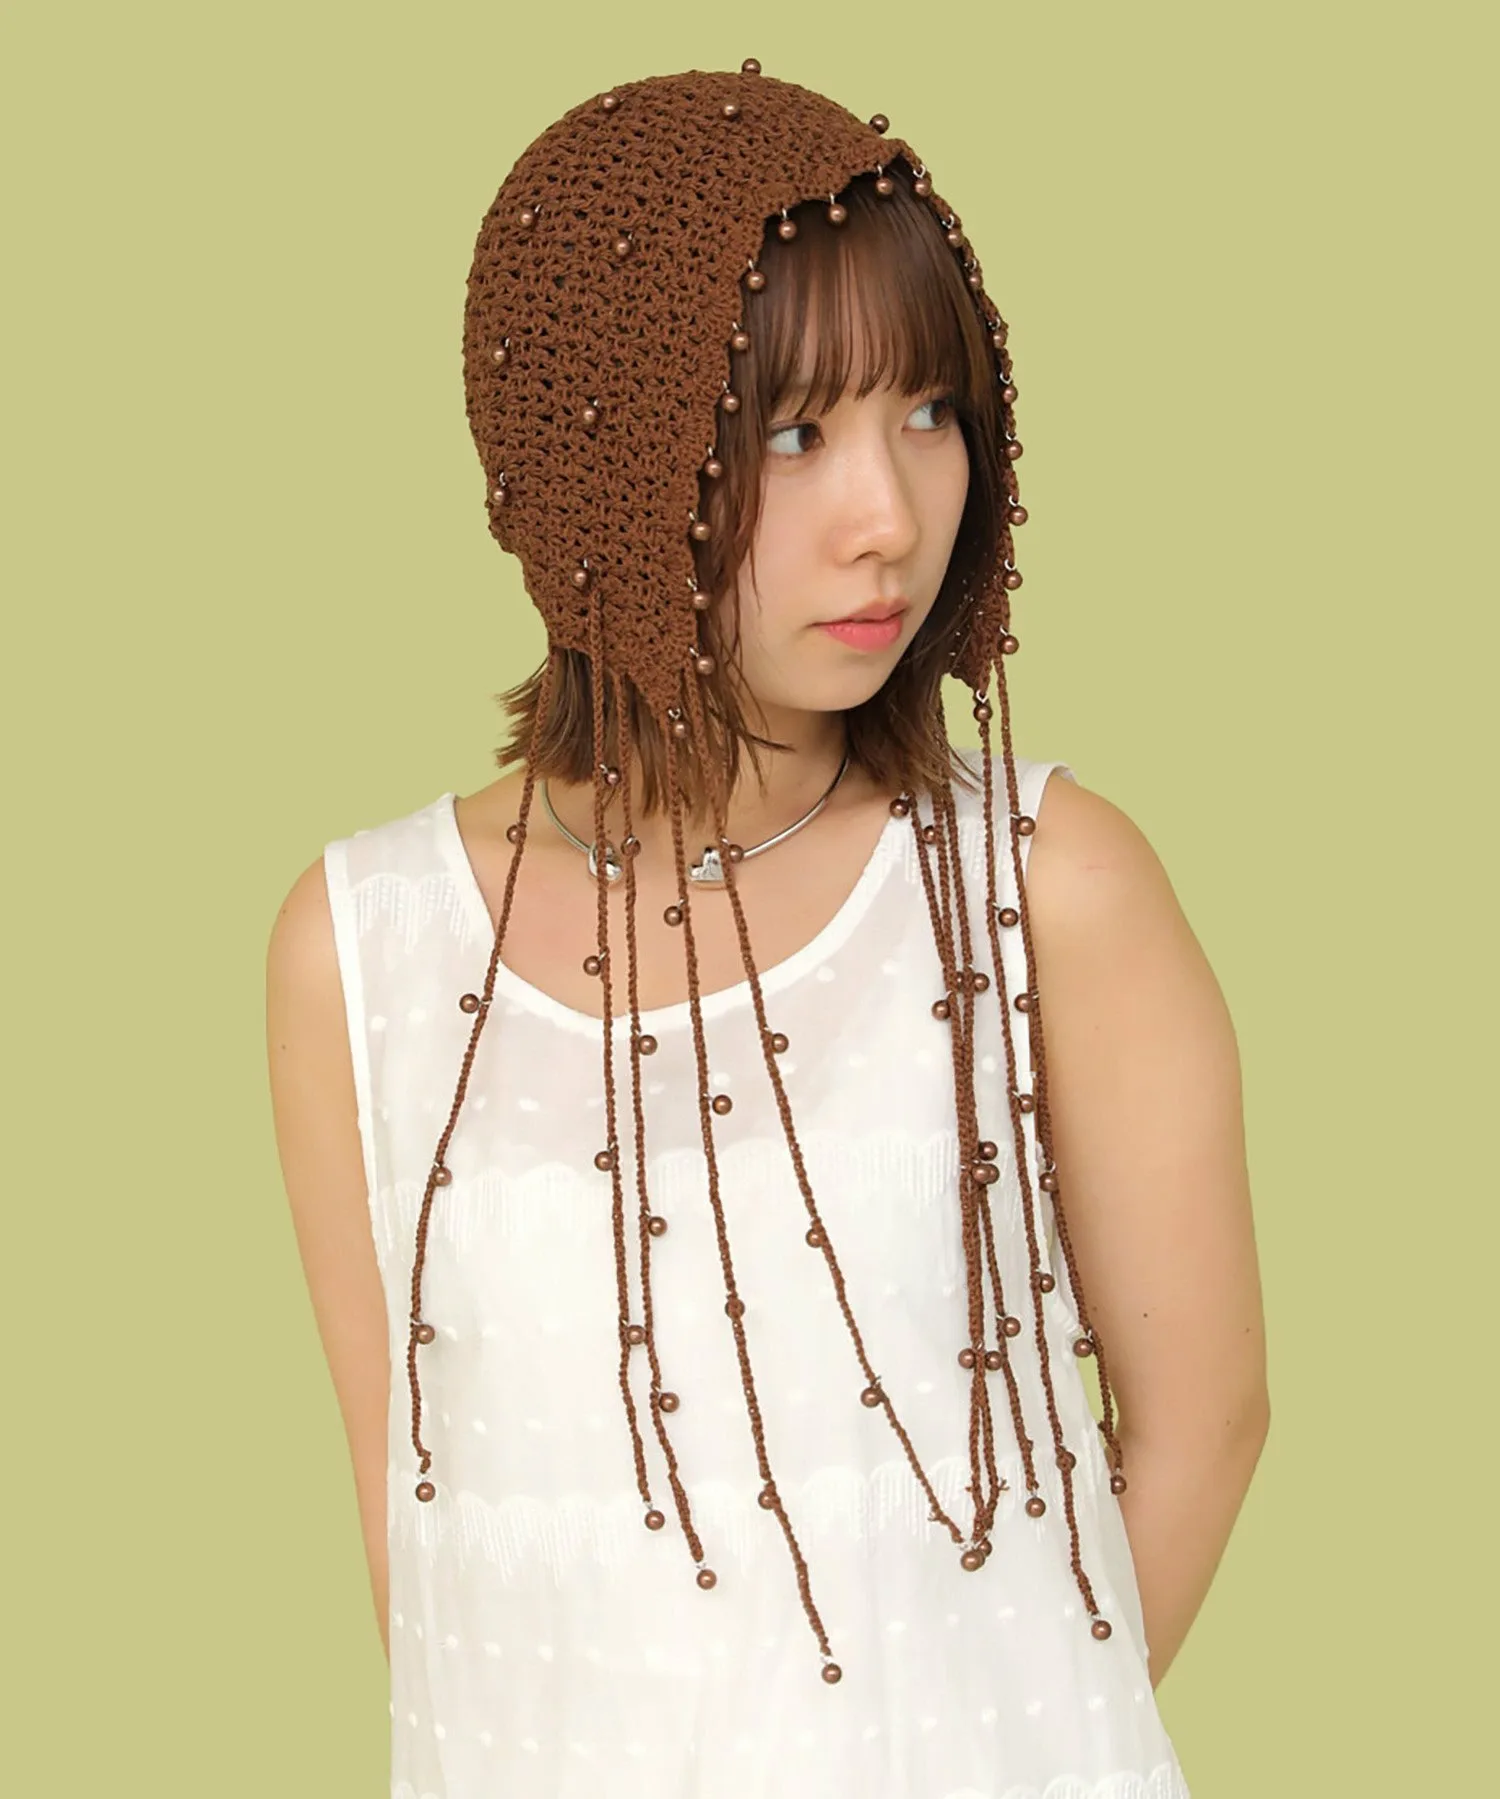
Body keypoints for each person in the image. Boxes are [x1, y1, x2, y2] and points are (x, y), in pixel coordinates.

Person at [266, 61, 1268, 1799]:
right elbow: (415, 1534)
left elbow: (1204, 1425)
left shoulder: (1047, 886)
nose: (892, 516)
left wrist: (977, 1740)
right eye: (794, 434)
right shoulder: (362, 946)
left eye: (931, 411)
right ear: (591, 463)